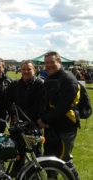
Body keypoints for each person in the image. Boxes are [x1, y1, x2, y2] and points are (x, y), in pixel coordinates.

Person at [37, 51, 80, 179]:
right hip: (51, 126)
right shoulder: (51, 77)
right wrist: (42, 117)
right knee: (49, 159)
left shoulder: (68, 79)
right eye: (47, 63)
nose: (49, 65)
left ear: (59, 62)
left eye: (52, 62)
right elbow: (45, 101)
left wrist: (44, 118)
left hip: (65, 126)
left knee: (64, 160)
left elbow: (63, 106)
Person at [7, 60, 44, 175]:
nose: (26, 71)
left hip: (34, 123)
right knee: (18, 150)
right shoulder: (15, 84)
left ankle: (35, 174)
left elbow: (40, 104)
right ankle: (17, 173)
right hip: (17, 123)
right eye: (23, 69)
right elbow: (8, 101)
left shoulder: (40, 84)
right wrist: (13, 114)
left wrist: (25, 117)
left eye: (29, 69)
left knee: (35, 151)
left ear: (34, 70)